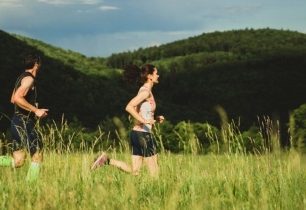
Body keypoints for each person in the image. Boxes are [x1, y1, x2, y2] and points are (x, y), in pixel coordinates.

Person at [91, 64, 165, 177]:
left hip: (136, 134)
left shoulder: (143, 90)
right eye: (156, 73)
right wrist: (145, 121)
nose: (158, 76)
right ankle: (157, 194)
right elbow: (129, 107)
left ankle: (106, 160)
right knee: (155, 173)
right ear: (150, 76)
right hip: (144, 135)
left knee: (135, 171)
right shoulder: (145, 92)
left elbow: (138, 110)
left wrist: (154, 119)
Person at [0, 54, 48, 182]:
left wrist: (30, 106)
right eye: (40, 64)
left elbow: (12, 99)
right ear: (36, 64)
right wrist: (36, 110)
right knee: (37, 156)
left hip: (16, 121)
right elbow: (17, 98)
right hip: (23, 122)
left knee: (18, 161)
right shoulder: (29, 79)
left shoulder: (21, 77)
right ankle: (30, 188)